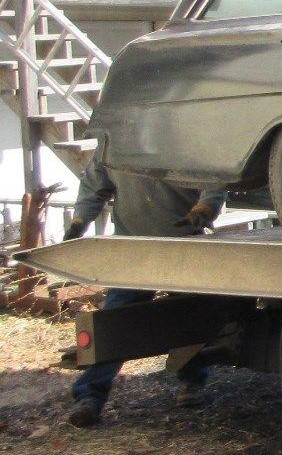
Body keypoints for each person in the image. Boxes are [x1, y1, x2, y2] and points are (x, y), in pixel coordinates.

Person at [64, 158, 228, 429]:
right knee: (114, 323)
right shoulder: (114, 144)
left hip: (182, 245)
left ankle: (192, 381)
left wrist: (206, 207)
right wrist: (79, 221)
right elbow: (94, 186)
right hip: (134, 249)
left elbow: (215, 178)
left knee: (189, 317)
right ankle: (89, 397)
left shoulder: (185, 140)